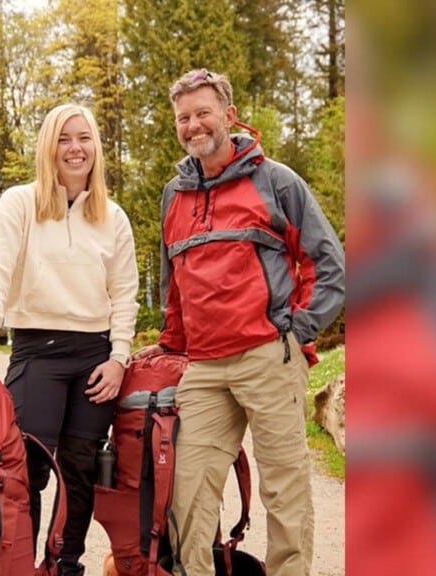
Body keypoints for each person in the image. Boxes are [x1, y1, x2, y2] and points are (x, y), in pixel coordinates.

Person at [134, 70, 345, 576]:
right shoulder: (174, 195)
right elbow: (175, 285)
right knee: (187, 492)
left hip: (267, 357)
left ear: (228, 115)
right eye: (183, 117)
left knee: (283, 488)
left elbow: (327, 262)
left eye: (203, 112)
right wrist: (170, 345)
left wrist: (296, 332)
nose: (193, 125)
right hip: (204, 369)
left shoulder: (276, 181)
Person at [0, 103, 140, 576]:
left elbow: (125, 295)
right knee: (28, 471)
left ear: (96, 148)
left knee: (80, 472)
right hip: (37, 351)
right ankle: (19, 564)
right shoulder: (19, 204)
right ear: (48, 147)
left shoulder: (113, 218)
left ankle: (66, 565)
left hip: (94, 356)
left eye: (84, 138)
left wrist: (119, 357)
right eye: (64, 138)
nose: (75, 148)